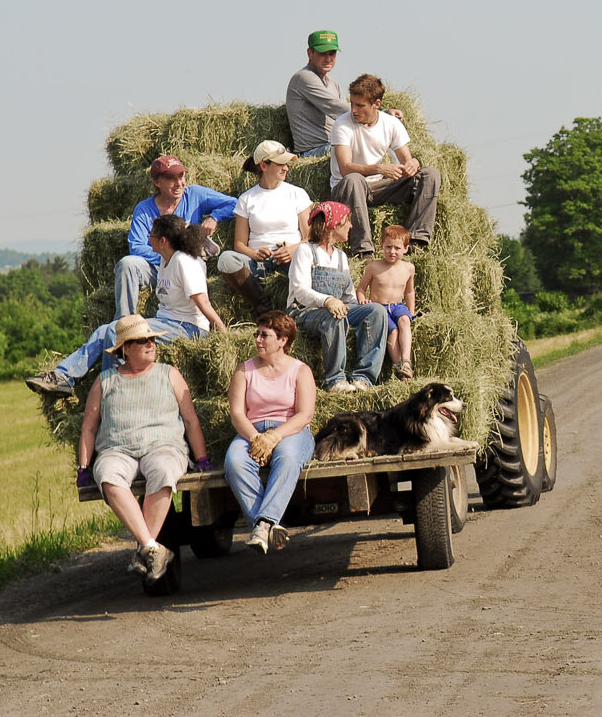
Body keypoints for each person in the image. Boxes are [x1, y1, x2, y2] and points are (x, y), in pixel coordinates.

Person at [75, 314, 212, 582]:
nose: (150, 344)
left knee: (163, 471)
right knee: (108, 475)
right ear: (125, 349)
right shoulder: (106, 380)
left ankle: (143, 550)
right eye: (142, 341)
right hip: (117, 449)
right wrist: (84, 466)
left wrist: (202, 457)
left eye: (151, 339)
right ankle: (151, 547)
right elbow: (89, 427)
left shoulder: (169, 374)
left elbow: (191, 419)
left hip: (163, 447)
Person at [28, 214, 226, 396]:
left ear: (162, 241)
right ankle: (63, 377)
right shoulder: (165, 262)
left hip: (188, 328)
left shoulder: (184, 261)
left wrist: (223, 334)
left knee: (117, 333)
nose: (149, 239)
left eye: (152, 235)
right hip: (166, 322)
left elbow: (203, 301)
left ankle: (111, 393)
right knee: (104, 331)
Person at [224, 310, 317, 553]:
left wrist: (275, 437)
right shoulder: (244, 371)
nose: (257, 340)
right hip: (251, 431)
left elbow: (304, 414)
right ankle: (265, 525)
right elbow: (237, 413)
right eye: (257, 334)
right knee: (234, 461)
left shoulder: (301, 371)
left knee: (287, 458)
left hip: (290, 431)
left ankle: (263, 522)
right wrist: (256, 438)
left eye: (264, 335)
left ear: (282, 341)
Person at [330, 73, 440, 257]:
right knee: (353, 180)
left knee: (429, 175)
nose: (354, 110)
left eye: (360, 105)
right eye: (352, 104)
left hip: (378, 187)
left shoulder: (391, 124)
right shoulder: (342, 124)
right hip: (347, 189)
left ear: (377, 104)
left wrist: (413, 164)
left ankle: (416, 241)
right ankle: (363, 251)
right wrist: (380, 168)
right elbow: (345, 168)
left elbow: (407, 160)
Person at [115, 155, 237, 319]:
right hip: (155, 266)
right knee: (127, 264)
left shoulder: (195, 195)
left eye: (181, 176)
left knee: (196, 264)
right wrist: (169, 257)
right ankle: (125, 324)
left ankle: (196, 322)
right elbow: (136, 246)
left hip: (187, 263)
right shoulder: (143, 209)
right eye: (171, 179)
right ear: (157, 182)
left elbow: (235, 203)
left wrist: (215, 217)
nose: (179, 183)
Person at [288, 201, 389, 392]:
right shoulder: (305, 251)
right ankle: (335, 380)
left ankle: (363, 377)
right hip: (304, 312)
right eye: (347, 221)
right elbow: (300, 291)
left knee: (376, 311)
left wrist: (359, 306)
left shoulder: (341, 256)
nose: (351, 226)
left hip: (337, 308)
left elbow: (348, 295)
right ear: (333, 224)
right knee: (335, 315)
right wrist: (327, 300)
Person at [215, 140, 313, 314]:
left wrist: (293, 249)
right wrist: (255, 254)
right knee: (226, 259)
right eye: (281, 164)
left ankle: (294, 310)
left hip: (290, 260)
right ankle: (263, 307)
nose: (286, 168)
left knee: (307, 261)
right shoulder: (247, 199)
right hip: (257, 264)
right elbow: (239, 244)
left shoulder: (297, 194)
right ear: (264, 166)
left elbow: (310, 237)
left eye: (286, 164)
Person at [284, 30, 405, 157]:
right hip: (312, 151)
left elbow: (347, 115)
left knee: (377, 141)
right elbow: (339, 110)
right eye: (322, 54)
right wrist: (383, 114)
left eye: (332, 54)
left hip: (334, 143)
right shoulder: (304, 78)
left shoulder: (333, 82)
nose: (328, 59)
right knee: (363, 146)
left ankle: (403, 173)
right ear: (310, 53)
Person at [357, 224, 418, 379]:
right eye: (388, 247)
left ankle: (406, 361)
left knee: (404, 321)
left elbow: (409, 291)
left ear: (406, 248)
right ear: (381, 246)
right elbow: (361, 288)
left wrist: (411, 313)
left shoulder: (409, 268)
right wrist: (363, 300)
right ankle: (399, 366)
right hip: (380, 308)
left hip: (398, 306)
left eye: (397, 248)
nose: (392, 252)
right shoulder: (373, 266)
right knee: (393, 332)